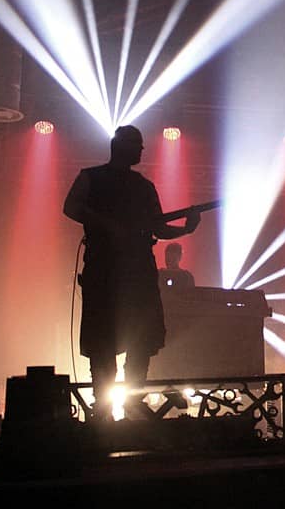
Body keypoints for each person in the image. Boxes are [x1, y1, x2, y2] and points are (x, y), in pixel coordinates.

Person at [63, 125, 200, 417]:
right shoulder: (94, 177)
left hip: (130, 273)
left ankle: (128, 401)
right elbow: (71, 207)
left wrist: (185, 229)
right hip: (108, 272)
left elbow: (157, 227)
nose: (141, 150)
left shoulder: (139, 185)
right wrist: (107, 224)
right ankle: (107, 404)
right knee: (109, 340)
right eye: (137, 145)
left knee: (137, 339)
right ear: (122, 146)